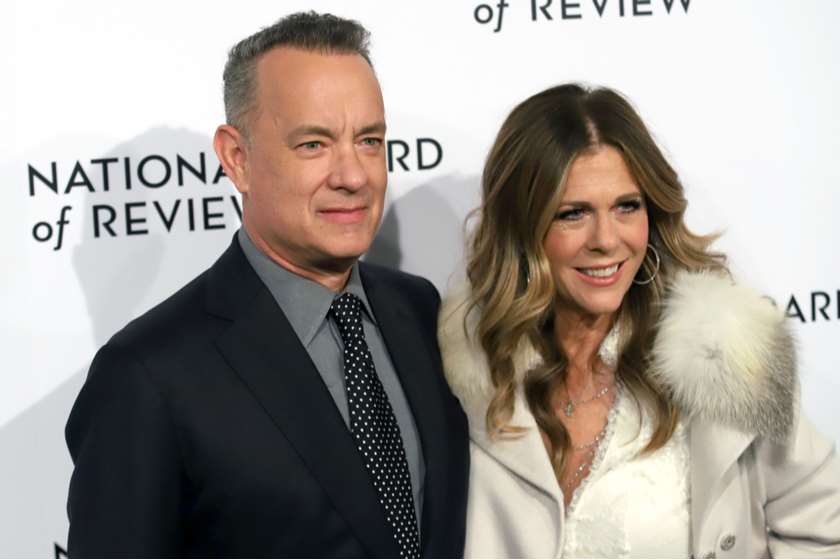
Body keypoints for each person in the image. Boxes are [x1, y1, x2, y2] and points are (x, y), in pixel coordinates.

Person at [65, 12, 468, 558]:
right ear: (237, 159)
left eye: (369, 140)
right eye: (313, 145)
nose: (353, 176)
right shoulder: (147, 376)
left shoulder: (420, 310)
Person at [438, 83, 840, 558]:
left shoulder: (726, 356)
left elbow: (824, 527)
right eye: (573, 213)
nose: (606, 239)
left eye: (626, 206)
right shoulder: (463, 364)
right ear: (522, 227)